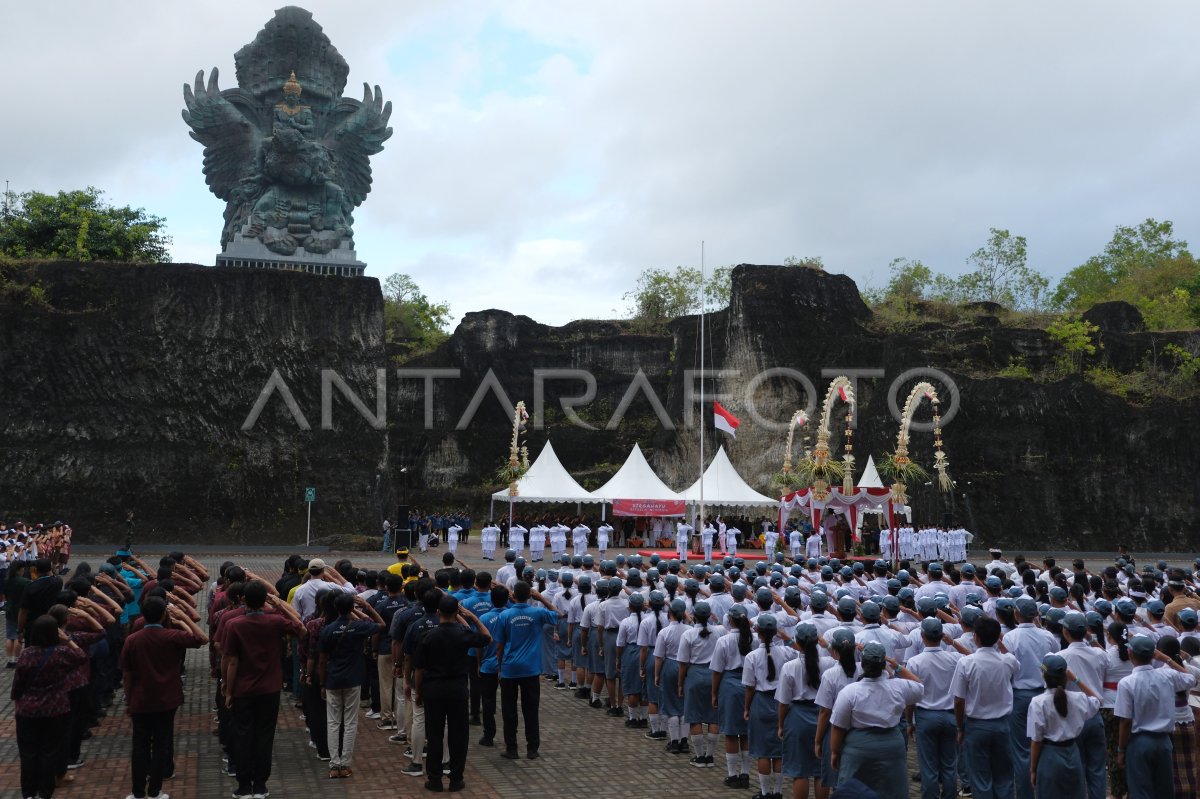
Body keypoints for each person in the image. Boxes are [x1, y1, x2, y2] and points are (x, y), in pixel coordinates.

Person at [222, 581, 304, 799]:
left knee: (242, 736)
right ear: (265, 600)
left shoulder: (234, 625)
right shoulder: (275, 621)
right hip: (270, 688)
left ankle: (243, 785)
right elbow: (300, 627)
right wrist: (279, 605)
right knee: (265, 736)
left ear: (243, 600)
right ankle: (260, 785)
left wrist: (228, 690)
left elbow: (231, 661)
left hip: (243, 689)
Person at [120, 596, 208, 799]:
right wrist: (182, 619)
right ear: (164, 615)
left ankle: (137, 792)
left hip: (140, 698)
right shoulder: (172, 636)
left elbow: (127, 673)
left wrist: (128, 696)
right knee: (161, 743)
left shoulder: (132, 639)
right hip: (167, 698)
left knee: (140, 743)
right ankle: (155, 791)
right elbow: (202, 638)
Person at [413, 593, 491, 793]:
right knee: (458, 737)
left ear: (438, 612)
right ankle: (456, 778)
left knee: (435, 736)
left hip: (433, 691)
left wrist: (419, 692)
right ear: (457, 613)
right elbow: (487, 638)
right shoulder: (463, 633)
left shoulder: (427, 636)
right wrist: (473, 618)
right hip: (457, 691)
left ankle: (435, 779)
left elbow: (419, 669)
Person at [829, 641, 924, 799]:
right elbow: (920, 686)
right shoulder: (898, 687)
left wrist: (834, 752)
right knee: (891, 790)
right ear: (883, 666)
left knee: (854, 791)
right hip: (891, 744)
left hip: (858, 747)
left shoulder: (850, 692)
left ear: (863, 664)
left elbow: (838, 727)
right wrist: (895, 666)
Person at [12, 614, 88, 799]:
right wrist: (68, 640)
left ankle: (28, 793)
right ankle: (45, 792)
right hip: (55, 709)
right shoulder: (61, 653)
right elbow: (81, 656)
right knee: (49, 752)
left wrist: (18, 699)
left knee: (28, 753)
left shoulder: (26, 654)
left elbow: (18, 684)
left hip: (27, 711)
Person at [1115, 635, 1196, 799]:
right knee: (1164, 790)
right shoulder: (1166, 675)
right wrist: (1167, 659)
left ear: (1130, 654)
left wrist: (1121, 749)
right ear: (1153, 655)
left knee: (1140, 790)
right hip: (1164, 741)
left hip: (1139, 742)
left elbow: (1125, 721)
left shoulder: (1127, 682)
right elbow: (1191, 678)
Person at [951, 616, 1019, 799]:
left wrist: (960, 727)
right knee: (1004, 776)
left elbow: (959, 700)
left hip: (976, 725)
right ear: (998, 637)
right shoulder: (1008, 661)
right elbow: (1013, 662)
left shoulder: (966, 662)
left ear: (976, 637)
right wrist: (1000, 643)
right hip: (1003, 725)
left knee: (980, 778)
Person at [319, 592, 384, 778]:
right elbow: (381, 625)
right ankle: (345, 763)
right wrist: (368, 608)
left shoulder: (328, 629)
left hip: (332, 679)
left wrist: (322, 683)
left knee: (333, 723)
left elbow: (322, 660)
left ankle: (334, 764)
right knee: (350, 722)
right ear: (351, 609)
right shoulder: (359, 627)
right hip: (353, 679)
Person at [495, 580, 560, 760]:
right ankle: (532, 749)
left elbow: (499, 645)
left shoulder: (505, 615)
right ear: (530, 595)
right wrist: (542, 599)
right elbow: (558, 614)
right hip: (531, 670)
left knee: (509, 711)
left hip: (509, 668)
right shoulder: (538, 612)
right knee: (531, 710)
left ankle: (512, 748)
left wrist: (500, 667)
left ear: (513, 595)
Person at [1027, 653, 1101, 799]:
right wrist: (1076, 679)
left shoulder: (1038, 702)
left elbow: (1036, 740)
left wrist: (1033, 769)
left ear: (1044, 676)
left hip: (1049, 755)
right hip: (1072, 752)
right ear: (1065, 676)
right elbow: (1097, 701)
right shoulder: (1078, 698)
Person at [906, 618, 963, 799]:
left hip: (926, 716)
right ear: (942, 636)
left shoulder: (914, 662)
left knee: (928, 767)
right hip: (950, 715)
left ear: (922, 636)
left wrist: (909, 721)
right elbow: (971, 656)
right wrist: (952, 642)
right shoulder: (955, 658)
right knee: (949, 765)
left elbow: (910, 697)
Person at [742, 613, 796, 799]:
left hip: (761, 702)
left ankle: (765, 793)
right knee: (779, 751)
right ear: (775, 633)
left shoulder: (752, 656)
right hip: (782, 703)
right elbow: (800, 652)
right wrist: (786, 638)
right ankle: (778, 792)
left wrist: (747, 707)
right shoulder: (788, 652)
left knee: (762, 751)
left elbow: (749, 687)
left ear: (757, 632)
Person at [776, 623, 824, 799]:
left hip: (797, 717)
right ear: (817, 640)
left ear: (797, 641)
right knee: (821, 770)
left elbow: (783, 701)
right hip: (822, 715)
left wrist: (781, 724)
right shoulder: (828, 663)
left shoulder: (790, 667)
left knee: (800, 771)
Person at [678, 601, 725, 767]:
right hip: (715, 675)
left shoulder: (689, 635)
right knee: (714, 717)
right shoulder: (718, 632)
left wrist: (680, 683)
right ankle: (710, 756)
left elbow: (683, 663)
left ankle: (699, 756)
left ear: (694, 616)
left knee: (694, 716)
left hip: (695, 676)